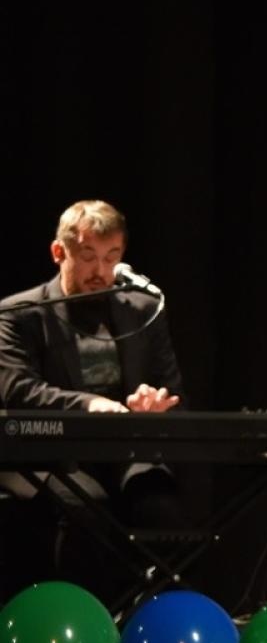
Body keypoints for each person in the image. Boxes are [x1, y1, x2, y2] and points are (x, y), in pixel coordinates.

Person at [0, 199, 184, 599]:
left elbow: (170, 386)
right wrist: (87, 404)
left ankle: (145, 617)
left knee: (161, 507)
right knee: (87, 508)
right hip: (52, 458)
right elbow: (16, 389)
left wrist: (154, 401)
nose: (101, 271)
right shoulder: (20, 314)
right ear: (58, 252)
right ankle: (87, 619)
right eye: (88, 257)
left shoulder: (144, 310)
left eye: (111, 257)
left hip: (125, 454)